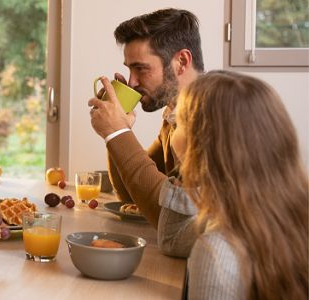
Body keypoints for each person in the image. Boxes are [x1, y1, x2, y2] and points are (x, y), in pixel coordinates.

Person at [159, 70, 308, 299]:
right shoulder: (280, 215)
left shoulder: (216, 252)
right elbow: (172, 241)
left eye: (177, 123)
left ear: (199, 145)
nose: (172, 130)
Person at [88, 8, 204, 229]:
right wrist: (119, 132)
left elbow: (172, 218)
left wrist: (117, 133)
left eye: (141, 68)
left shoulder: (216, 117)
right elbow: (134, 198)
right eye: (130, 70)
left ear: (181, 61)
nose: (131, 82)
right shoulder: (174, 115)